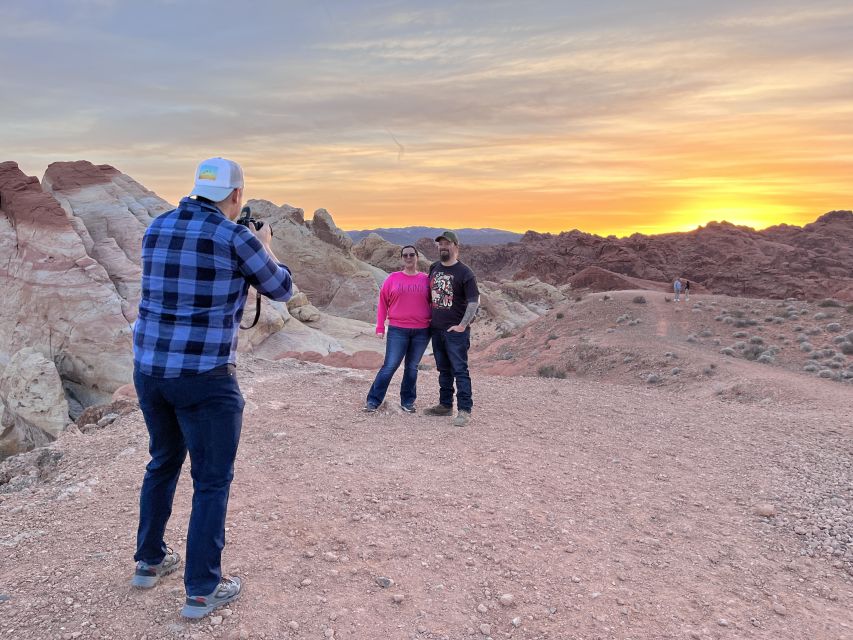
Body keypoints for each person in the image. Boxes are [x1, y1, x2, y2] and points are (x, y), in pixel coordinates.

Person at [130, 157, 293, 619]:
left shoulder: (158, 227)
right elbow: (281, 288)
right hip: (205, 377)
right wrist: (265, 244)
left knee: (162, 462)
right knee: (211, 480)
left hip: (150, 370)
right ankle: (201, 589)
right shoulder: (235, 236)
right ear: (236, 195)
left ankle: (149, 561)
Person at [364, 245, 432, 413]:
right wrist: (380, 327)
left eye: (412, 254)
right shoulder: (392, 279)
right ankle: (373, 401)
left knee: (412, 367)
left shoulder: (426, 279)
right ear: (402, 258)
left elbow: (434, 303)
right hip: (397, 330)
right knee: (390, 365)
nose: (408, 258)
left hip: (422, 331)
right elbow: (383, 303)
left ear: (417, 257)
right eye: (405, 255)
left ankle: (408, 402)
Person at [423, 231, 479, 427]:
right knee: (443, 369)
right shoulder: (434, 268)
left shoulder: (465, 273)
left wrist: (462, 326)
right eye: (440, 244)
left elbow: (474, 302)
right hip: (436, 329)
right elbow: (430, 296)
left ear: (456, 246)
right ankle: (445, 405)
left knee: (460, 370)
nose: (443, 247)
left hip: (456, 332)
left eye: (447, 243)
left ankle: (464, 410)